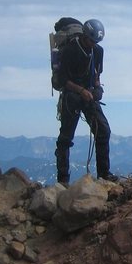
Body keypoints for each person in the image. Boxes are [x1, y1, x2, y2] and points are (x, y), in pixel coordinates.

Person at [54, 19, 117, 184]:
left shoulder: (98, 51)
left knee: (103, 131)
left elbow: (96, 75)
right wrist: (81, 91)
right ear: (84, 35)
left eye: (96, 41)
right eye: (91, 40)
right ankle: (63, 180)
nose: (93, 44)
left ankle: (104, 175)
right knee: (66, 138)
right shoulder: (70, 50)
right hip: (72, 97)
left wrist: (98, 89)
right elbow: (62, 80)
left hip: (88, 95)